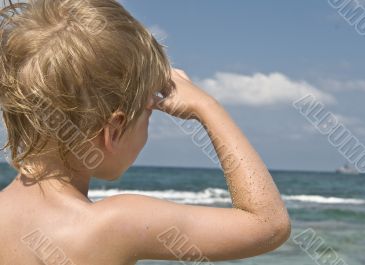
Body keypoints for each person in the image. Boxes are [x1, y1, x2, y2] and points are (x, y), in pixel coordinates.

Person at [0, 0, 291, 264]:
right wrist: (207, 106)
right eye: (148, 113)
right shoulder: (114, 225)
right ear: (113, 130)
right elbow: (269, 224)